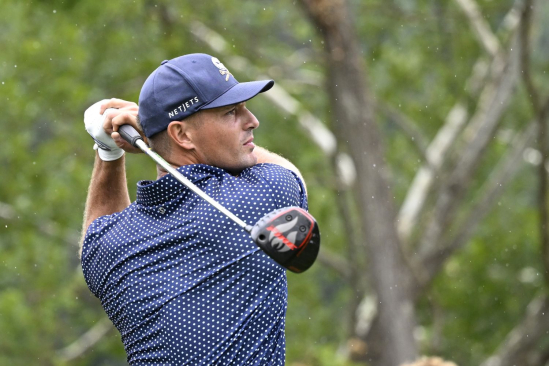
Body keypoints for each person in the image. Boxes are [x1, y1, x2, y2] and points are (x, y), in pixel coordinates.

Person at [80, 53, 309, 365]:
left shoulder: (108, 246)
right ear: (182, 135)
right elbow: (292, 176)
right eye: (232, 112)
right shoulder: (261, 195)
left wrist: (108, 150)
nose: (252, 120)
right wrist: (150, 135)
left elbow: (98, 227)